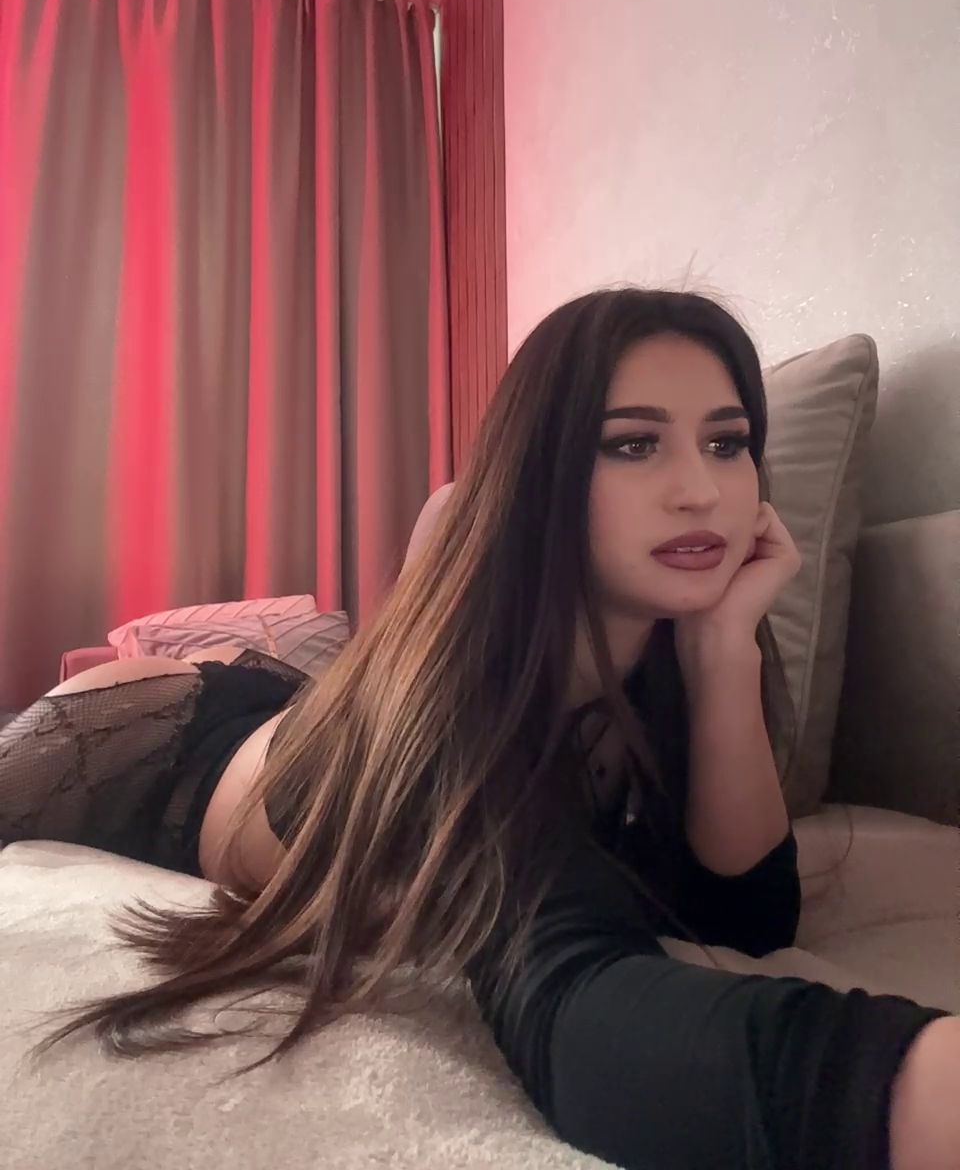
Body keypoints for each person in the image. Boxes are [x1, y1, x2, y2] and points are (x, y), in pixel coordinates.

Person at [0, 288, 954, 1170]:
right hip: (150, 734)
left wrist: (723, 652)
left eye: (727, 442)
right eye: (633, 444)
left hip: (299, 709)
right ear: (538, 477)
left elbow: (746, 921)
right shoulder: (467, 719)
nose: (701, 491)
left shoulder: (671, 665)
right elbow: (583, 1021)